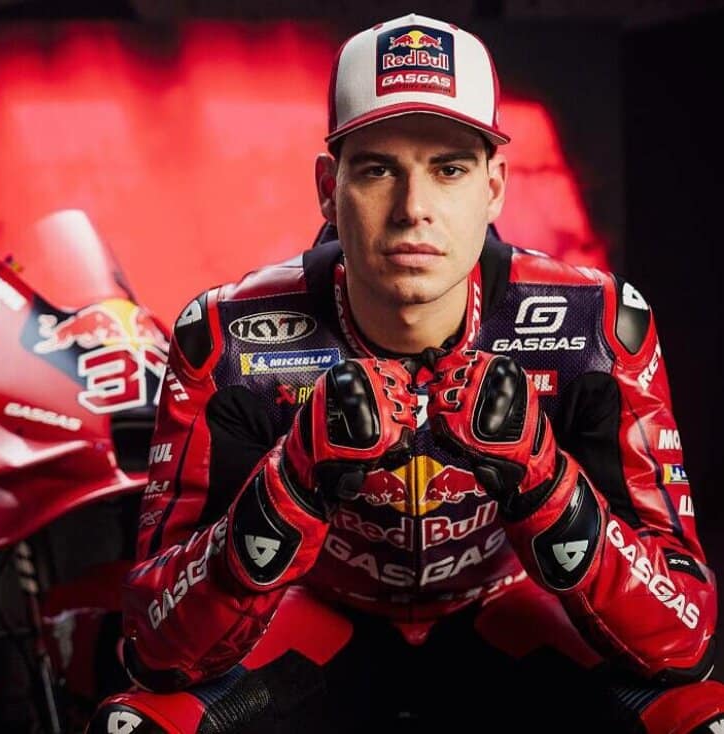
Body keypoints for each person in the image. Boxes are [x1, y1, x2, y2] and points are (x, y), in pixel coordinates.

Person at [88, 12, 724, 733]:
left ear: (494, 187)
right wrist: (290, 484)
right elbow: (153, 646)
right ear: (328, 188)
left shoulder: (597, 325)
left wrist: (545, 485)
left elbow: (686, 638)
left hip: (509, 612)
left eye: (448, 169)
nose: (413, 209)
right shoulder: (226, 337)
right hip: (317, 619)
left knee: (703, 718)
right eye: (377, 169)